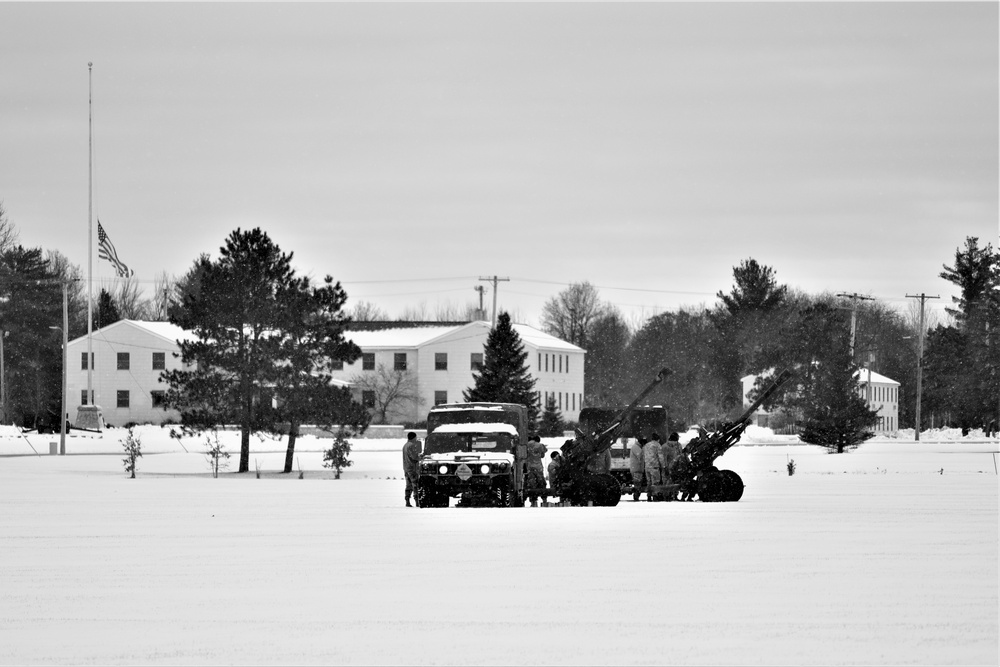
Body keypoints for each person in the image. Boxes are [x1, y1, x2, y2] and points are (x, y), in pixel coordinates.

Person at [660, 432, 683, 500]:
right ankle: (666, 496)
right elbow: (663, 458)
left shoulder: (678, 445)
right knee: (666, 482)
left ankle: (674, 495)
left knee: (675, 482)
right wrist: (665, 467)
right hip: (668, 467)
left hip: (675, 468)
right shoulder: (665, 447)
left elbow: (680, 455)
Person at [525, 435, 547, 506]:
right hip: (538, 467)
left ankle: (533, 501)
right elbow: (543, 454)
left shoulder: (526, 445)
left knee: (531, 484)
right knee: (541, 483)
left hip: (529, 467)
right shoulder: (540, 445)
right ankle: (544, 500)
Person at [402, 431, 421, 507]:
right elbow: (414, 457)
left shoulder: (405, 445)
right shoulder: (412, 446)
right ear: (414, 437)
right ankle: (417, 502)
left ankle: (407, 501)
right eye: (416, 437)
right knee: (415, 485)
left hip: (406, 468)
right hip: (412, 468)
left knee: (408, 486)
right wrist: (420, 457)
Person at [643, 432, 664, 501]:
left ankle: (649, 496)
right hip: (654, 466)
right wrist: (663, 466)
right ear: (658, 439)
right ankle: (655, 495)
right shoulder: (657, 445)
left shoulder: (646, 445)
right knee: (655, 482)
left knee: (648, 482)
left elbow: (643, 455)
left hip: (647, 466)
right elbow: (660, 456)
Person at [629, 436, 646, 502]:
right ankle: (636, 496)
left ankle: (636, 495)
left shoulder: (637, 447)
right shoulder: (636, 447)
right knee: (637, 483)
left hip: (637, 468)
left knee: (638, 483)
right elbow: (641, 456)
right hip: (636, 469)